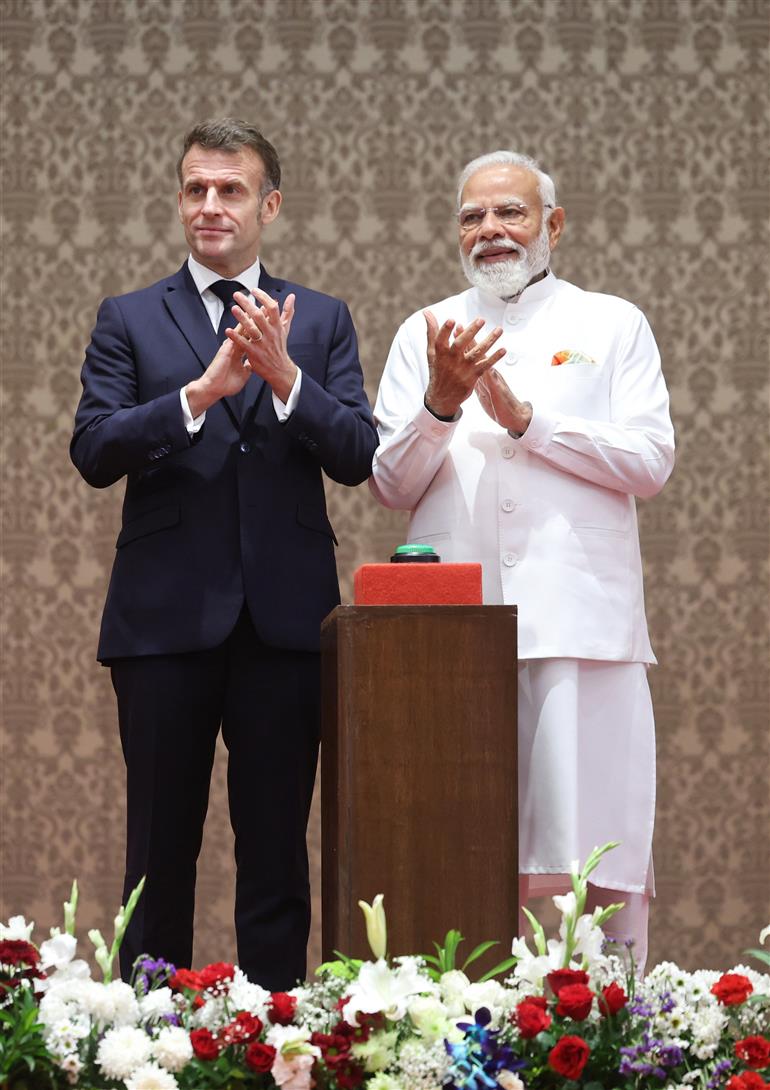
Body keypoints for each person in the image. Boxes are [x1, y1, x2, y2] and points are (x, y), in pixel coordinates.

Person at [71, 118, 378, 989]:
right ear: (180, 201)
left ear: (268, 206)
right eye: (195, 189)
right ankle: (145, 1037)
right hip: (162, 622)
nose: (211, 205)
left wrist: (286, 379)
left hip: (285, 626)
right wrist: (199, 395)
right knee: (157, 850)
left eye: (231, 189)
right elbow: (93, 449)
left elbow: (358, 454)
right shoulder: (130, 317)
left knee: (276, 852)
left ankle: (276, 1033)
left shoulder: (320, 319)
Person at [369, 150, 675, 971]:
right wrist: (439, 406)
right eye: (472, 217)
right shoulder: (425, 329)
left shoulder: (611, 323)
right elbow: (390, 483)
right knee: (464, 842)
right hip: (457, 631)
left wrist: (528, 421)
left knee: (593, 853)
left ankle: (609, 1022)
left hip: (581, 623)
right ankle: (461, 1022)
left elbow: (651, 460)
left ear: (553, 225)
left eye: (510, 212)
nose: (490, 230)